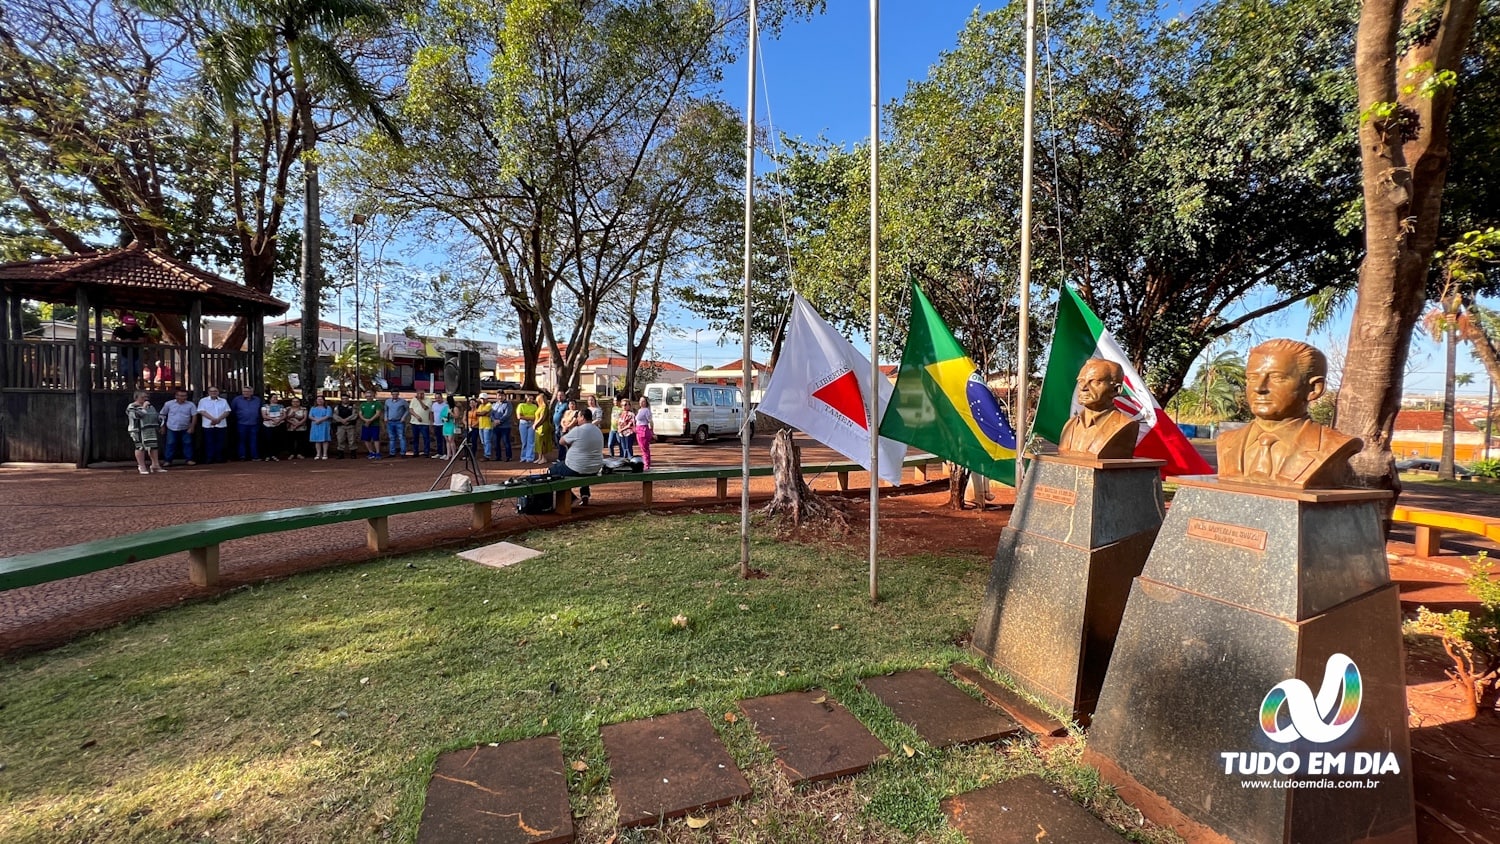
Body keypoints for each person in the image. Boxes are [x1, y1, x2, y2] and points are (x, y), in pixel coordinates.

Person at [1216, 339, 1361, 489]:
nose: (1259, 388)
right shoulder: (1226, 441)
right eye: (1252, 378)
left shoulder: (1332, 445)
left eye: (1277, 378)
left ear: (1314, 389)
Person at [1056, 358, 1139, 459]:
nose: (1083, 388)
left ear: (1116, 389)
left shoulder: (1125, 425)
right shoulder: (1070, 424)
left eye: (1094, 382)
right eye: (1081, 381)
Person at [552, 407, 604, 504]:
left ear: (583, 417)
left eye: (578, 417)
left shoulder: (577, 430)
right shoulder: (598, 430)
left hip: (577, 468)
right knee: (584, 466)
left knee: (553, 471)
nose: (576, 419)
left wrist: (564, 430)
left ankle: (572, 499)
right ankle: (585, 494)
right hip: (595, 468)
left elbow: (561, 441)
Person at [126, 390, 166, 474]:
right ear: (136, 398)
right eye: (143, 397)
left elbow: (155, 416)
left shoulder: (150, 406)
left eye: (146, 397)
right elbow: (137, 416)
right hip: (137, 430)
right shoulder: (131, 407)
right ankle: (142, 466)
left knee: (153, 447)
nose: (145, 399)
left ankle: (155, 465)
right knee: (140, 447)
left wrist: (161, 424)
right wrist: (143, 407)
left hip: (150, 429)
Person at [158, 389, 197, 466]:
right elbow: (162, 415)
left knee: (187, 443)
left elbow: (194, 416)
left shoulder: (191, 405)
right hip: (171, 427)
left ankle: (189, 459)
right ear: (176, 396)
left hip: (186, 427)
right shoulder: (168, 404)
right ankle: (168, 460)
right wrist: (162, 426)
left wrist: (192, 427)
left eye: (184, 396)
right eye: (180, 395)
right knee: (170, 443)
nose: (183, 397)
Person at [112, 313, 146, 388]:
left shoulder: (137, 330)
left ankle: (134, 384)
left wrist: (131, 342)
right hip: (124, 353)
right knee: (126, 370)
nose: (130, 326)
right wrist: (123, 341)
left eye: (131, 324)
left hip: (136, 354)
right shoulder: (119, 329)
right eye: (128, 324)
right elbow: (113, 339)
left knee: (136, 370)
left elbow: (142, 340)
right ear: (125, 323)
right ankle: (128, 385)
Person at [230, 385, 264, 461]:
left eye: (248, 391)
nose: (246, 393)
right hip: (241, 423)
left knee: (254, 440)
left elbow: (260, 410)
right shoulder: (237, 400)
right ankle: (242, 456)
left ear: (252, 392)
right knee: (241, 440)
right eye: (244, 391)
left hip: (254, 423)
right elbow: (233, 410)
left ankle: (254, 456)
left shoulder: (257, 400)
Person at [197, 386, 230, 464]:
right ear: (208, 392)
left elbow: (227, 411)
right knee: (209, 442)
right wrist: (213, 419)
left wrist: (218, 419)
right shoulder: (203, 401)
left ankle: (219, 458)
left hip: (221, 424)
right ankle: (209, 458)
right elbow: (201, 411)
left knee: (220, 442)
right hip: (208, 425)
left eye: (215, 391)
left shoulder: (223, 401)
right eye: (211, 391)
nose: (213, 393)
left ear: (218, 392)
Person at [260, 393, 286, 461]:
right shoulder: (265, 406)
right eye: (274, 397)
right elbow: (264, 415)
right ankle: (267, 455)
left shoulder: (281, 406)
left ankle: (275, 455)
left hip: (278, 425)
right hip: (268, 425)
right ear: (270, 399)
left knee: (276, 440)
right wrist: (272, 419)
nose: (275, 399)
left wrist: (279, 420)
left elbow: (284, 415)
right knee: (268, 440)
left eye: (276, 397)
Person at [384, 390, 410, 457]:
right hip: (390, 421)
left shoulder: (403, 401)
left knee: (401, 437)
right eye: (393, 394)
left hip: (399, 421)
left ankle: (403, 453)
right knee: (391, 438)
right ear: (391, 394)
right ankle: (392, 453)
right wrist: (385, 417)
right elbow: (386, 410)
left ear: (398, 394)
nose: (395, 396)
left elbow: (408, 409)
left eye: (396, 394)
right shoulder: (387, 401)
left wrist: (403, 417)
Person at [359, 390, 383, 460]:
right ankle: (371, 452)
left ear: (373, 396)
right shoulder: (362, 405)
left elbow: (378, 413)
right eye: (367, 396)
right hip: (365, 424)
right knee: (366, 439)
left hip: (375, 424)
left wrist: (370, 420)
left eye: (370, 396)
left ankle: (378, 453)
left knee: (376, 438)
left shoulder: (377, 404)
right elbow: (360, 414)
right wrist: (365, 420)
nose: (368, 398)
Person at [333, 394, 359, 458]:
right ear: (341, 399)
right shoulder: (337, 407)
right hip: (341, 425)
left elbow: (355, 415)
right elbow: (335, 415)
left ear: (348, 399)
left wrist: (346, 420)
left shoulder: (353, 406)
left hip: (350, 425)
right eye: (343, 398)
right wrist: (342, 420)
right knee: (340, 439)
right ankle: (340, 453)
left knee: (352, 439)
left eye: (346, 398)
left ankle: (353, 453)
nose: (345, 400)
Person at [491, 393, 515, 462]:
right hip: (496, 427)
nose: (500, 397)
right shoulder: (494, 404)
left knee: (506, 442)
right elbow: (492, 414)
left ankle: (508, 456)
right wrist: (494, 420)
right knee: (496, 442)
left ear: (504, 396)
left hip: (505, 427)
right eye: (499, 395)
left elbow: (507, 414)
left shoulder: (508, 404)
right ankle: (498, 456)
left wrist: (499, 421)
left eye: (502, 395)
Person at [410, 390, 434, 457]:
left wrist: (420, 400)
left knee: (426, 438)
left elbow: (425, 408)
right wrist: (417, 416)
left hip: (425, 423)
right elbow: (411, 410)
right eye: (419, 394)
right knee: (415, 438)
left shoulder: (428, 400)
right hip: (414, 422)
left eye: (422, 394)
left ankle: (426, 452)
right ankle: (415, 452)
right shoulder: (413, 400)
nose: (420, 395)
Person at [308, 395, 333, 460]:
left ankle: (325, 454)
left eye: (321, 399)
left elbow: (328, 415)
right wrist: (316, 420)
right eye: (318, 399)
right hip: (315, 424)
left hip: (324, 424)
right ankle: (318, 454)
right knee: (317, 440)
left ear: (324, 400)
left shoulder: (327, 407)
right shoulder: (313, 408)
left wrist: (320, 420)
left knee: (325, 439)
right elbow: (310, 416)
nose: (319, 401)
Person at [517, 393, 539, 463]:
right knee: (524, 442)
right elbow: (519, 416)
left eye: (532, 398)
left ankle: (529, 457)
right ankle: (523, 457)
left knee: (531, 441)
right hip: (523, 424)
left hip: (532, 424)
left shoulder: (535, 406)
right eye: (529, 398)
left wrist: (526, 417)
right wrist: (530, 417)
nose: (530, 400)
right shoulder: (521, 405)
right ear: (526, 398)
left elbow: (536, 417)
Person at [534, 391, 555, 463]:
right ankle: (539, 457)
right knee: (538, 442)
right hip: (538, 427)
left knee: (542, 442)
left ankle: (543, 458)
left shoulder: (544, 407)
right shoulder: (539, 407)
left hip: (543, 426)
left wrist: (536, 424)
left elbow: (542, 418)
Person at [635, 395, 654, 470]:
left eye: (643, 401)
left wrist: (652, 431)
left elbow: (650, 421)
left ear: (646, 403)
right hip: (638, 429)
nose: (641, 403)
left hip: (643, 429)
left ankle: (647, 464)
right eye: (640, 401)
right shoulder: (640, 410)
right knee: (642, 448)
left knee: (645, 448)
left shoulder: (646, 410)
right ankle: (645, 463)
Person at [475, 393, 495, 459]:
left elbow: (482, 413)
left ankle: (487, 454)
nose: (482, 400)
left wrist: (482, 414)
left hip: (487, 425)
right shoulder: (480, 406)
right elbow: (478, 413)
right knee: (483, 441)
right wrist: (482, 414)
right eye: (481, 399)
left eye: (483, 399)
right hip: (481, 425)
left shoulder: (489, 405)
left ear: (486, 399)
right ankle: (486, 453)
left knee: (487, 441)